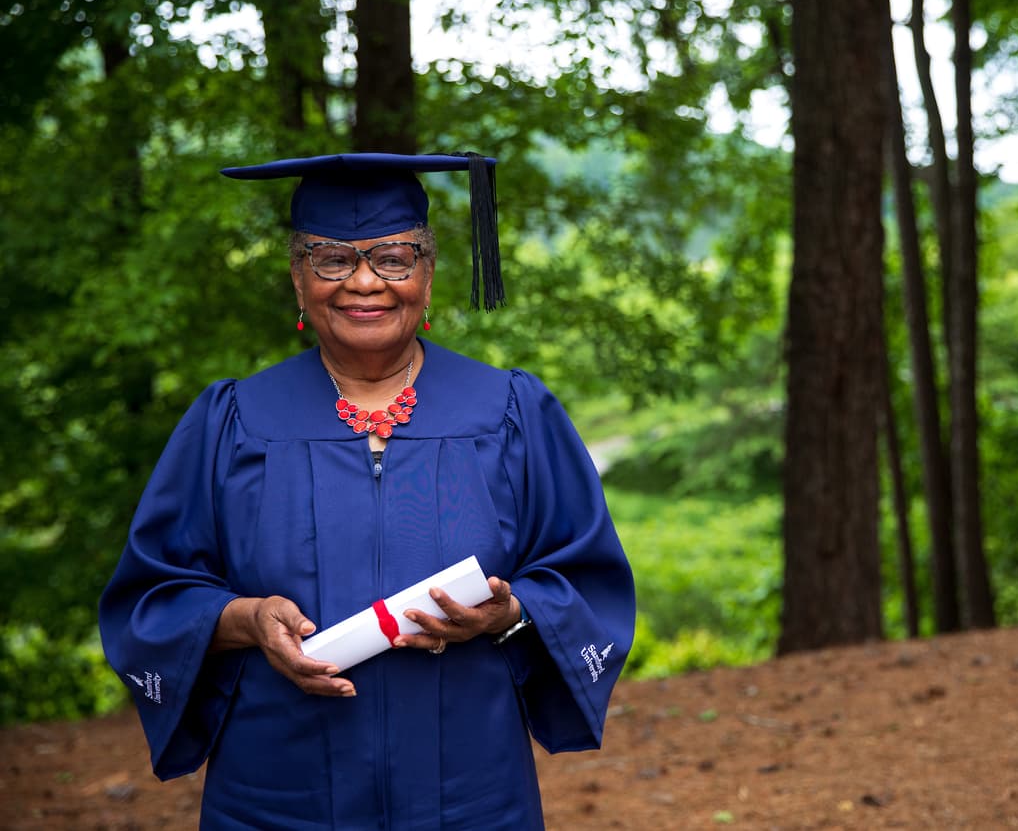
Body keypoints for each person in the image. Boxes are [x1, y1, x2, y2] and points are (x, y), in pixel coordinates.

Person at [98, 152, 635, 830]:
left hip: (471, 794)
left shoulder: (511, 412)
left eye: (394, 257)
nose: (363, 281)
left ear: (428, 275)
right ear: (297, 280)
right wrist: (248, 618)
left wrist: (507, 610)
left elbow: (586, 577)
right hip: (277, 796)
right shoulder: (232, 421)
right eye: (330, 260)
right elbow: (152, 596)